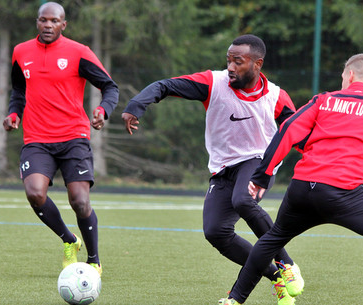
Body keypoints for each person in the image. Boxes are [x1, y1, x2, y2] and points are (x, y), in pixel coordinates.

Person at [219, 53, 363, 305]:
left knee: (273, 239)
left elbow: (288, 130)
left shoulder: (325, 100)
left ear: (349, 76)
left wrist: (263, 175)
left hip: (302, 189)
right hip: (344, 195)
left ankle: (234, 300)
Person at [122, 34, 304, 304]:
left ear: (257, 64)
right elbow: (166, 85)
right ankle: (276, 276)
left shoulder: (276, 96)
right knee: (216, 232)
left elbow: (297, 132)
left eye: (238, 62)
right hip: (222, 168)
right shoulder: (213, 83)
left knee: (242, 200)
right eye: (228, 60)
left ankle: (287, 264)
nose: (230, 67)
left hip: (257, 161)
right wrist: (136, 106)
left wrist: (320, 157)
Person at [3, 2, 119, 276]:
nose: (47, 25)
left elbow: (109, 86)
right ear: (37, 22)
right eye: (43, 20)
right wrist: (13, 114)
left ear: (63, 25)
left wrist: (103, 110)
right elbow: (18, 89)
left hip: (73, 137)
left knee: (79, 201)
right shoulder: (21, 52)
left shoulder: (79, 53)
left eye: (54, 21)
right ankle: (69, 240)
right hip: (36, 138)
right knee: (34, 193)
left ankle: (93, 260)